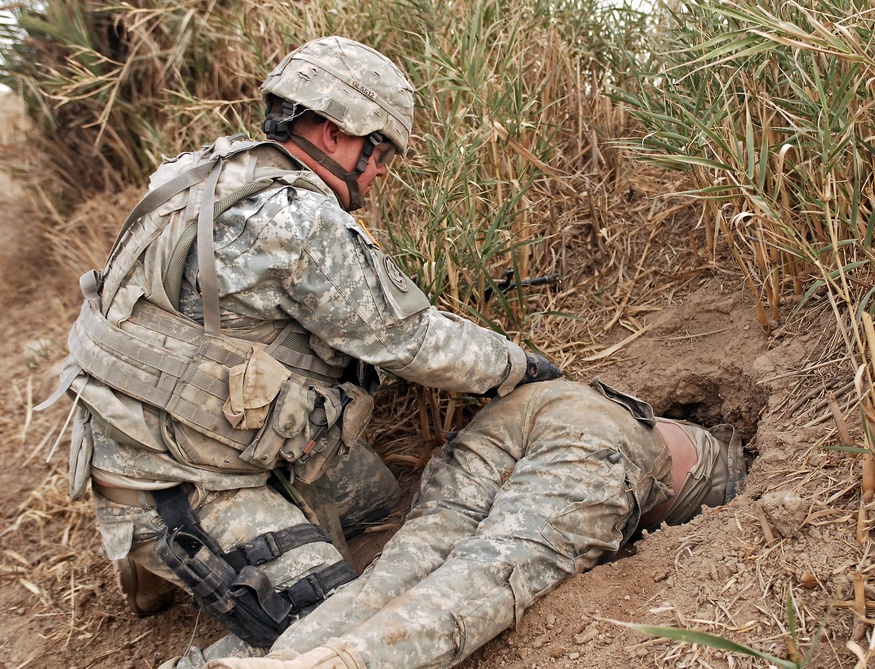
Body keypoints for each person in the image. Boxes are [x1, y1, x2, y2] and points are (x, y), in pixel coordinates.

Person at [39, 35, 560, 660]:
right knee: (338, 629)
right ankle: (154, 543)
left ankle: (151, 549)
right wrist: (518, 365)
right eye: (381, 150)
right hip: (182, 482)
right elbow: (412, 341)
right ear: (337, 131)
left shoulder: (202, 171)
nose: (382, 172)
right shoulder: (295, 217)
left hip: (142, 428)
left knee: (374, 501)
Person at [203, 377, 743, 669]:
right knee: (492, 572)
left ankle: (284, 659)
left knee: (404, 564)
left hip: (524, 409)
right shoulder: (713, 475)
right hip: (598, 443)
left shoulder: (645, 414)